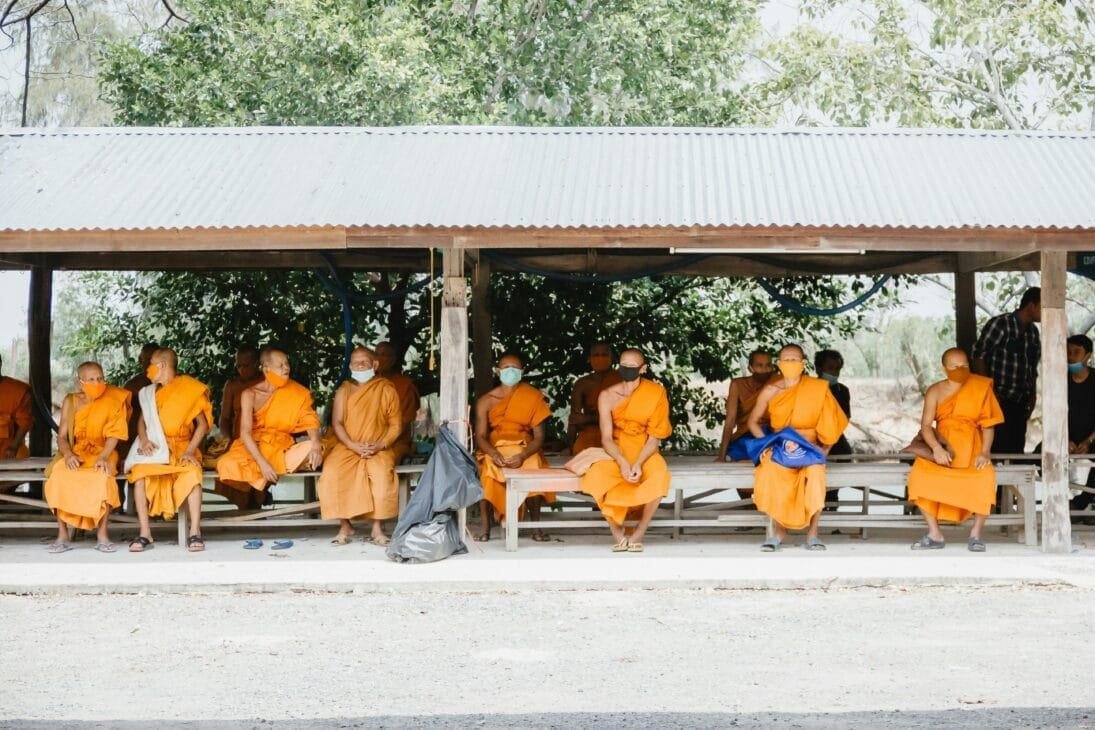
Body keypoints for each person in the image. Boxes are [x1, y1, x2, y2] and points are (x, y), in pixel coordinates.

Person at [748, 344, 848, 552]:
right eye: (786, 359)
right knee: (771, 472)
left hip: (811, 448)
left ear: (803, 363)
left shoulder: (818, 388)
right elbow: (753, 422)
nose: (790, 364)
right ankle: (779, 532)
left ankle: (813, 535)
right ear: (779, 363)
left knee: (816, 475)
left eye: (795, 360)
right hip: (781, 447)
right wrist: (766, 445)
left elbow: (834, 423)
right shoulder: (771, 391)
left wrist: (824, 451)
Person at [907, 348, 1004, 552]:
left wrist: (985, 452)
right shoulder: (935, 390)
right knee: (919, 477)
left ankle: (976, 535)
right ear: (944, 369)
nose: (960, 370)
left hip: (972, 446)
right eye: (955, 367)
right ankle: (935, 534)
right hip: (944, 446)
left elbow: (988, 424)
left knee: (985, 478)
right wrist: (935, 449)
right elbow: (925, 426)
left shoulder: (980, 386)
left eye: (964, 366)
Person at [580, 348, 672, 552]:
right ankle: (617, 533)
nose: (627, 369)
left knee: (659, 474)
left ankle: (639, 531)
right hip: (616, 449)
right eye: (624, 365)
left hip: (645, 450)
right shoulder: (607, 395)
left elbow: (654, 437)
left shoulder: (656, 393)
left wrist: (638, 463)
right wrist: (622, 462)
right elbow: (606, 437)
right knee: (597, 476)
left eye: (632, 366)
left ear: (643, 368)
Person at [125, 348, 213, 553]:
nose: (147, 369)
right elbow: (142, 421)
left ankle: (195, 531)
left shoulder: (189, 388)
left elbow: (202, 425)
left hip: (183, 447)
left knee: (192, 475)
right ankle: (145, 533)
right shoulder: (149, 392)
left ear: (162, 365)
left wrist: (191, 451)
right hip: (156, 448)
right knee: (139, 476)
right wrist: (145, 440)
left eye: (151, 364)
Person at [215, 348, 322, 509]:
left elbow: (310, 420)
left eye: (287, 364)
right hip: (254, 448)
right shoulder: (250, 394)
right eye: (280, 365)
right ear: (266, 369)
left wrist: (315, 442)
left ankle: (261, 486)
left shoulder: (297, 392)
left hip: (282, 446)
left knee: (314, 448)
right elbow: (245, 432)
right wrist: (263, 464)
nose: (286, 368)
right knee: (226, 463)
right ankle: (258, 491)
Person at [317, 346, 403, 545]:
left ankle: (377, 528)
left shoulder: (386, 388)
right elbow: (337, 423)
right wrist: (352, 445)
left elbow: (396, 424)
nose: (360, 365)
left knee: (382, 477)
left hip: (378, 446)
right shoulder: (344, 390)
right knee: (332, 473)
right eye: (355, 362)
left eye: (364, 361)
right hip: (348, 445)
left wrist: (381, 444)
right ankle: (344, 525)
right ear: (350, 366)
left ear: (375, 364)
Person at [43, 362, 130, 553]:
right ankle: (63, 535)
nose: (97, 382)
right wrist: (67, 455)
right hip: (78, 452)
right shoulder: (71, 401)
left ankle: (102, 535)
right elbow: (62, 436)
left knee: (102, 476)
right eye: (91, 379)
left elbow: (115, 434)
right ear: (79, 382)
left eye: (100, 378)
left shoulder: (114, 398)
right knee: (59, 476)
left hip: (104, 450)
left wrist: (104, 456)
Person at [474, 353, 554, 542]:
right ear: (497, 371)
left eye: (515, 368)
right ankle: (486, 527)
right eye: (506, 367)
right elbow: (481, 437)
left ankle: (536, 527)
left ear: (522, 372)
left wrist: (523, 455)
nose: (510, 371)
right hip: (496, 449)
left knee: (534, 466)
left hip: (525, 448)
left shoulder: (533, 397)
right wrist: (493, 453)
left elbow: (539, 437)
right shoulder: (486, 401)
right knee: (485, 471)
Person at [972, 287, 1041, 454]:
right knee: (996, 448)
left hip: (1020, 402)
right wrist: (990, 391)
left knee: (1016, 449)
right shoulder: (1001, 324)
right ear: (1031, 305)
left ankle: (1010, 482)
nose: (1044, 313)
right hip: (998, 399)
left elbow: (1032, 368)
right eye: (1042, 307)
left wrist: (1032, 395)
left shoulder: (1033, 332)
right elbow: (978, 355)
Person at [715, 349, 773, 464]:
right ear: (750, 368)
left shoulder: (777, 383)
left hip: (770, 432)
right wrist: (721, 455)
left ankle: (761, 453)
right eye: (759, 366)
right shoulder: (738, 385)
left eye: (768, 365)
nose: (764, 370)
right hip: (746, 434)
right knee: (739, 448)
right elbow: (730, 420)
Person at [815, 349, 852, 510]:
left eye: (837, 369)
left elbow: (845, 418)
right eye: (830, 368)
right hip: (812, 439)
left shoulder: (842, 391)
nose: (835, 373)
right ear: (818, 368)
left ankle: (832, 512)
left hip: (836, 441)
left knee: (833, 484)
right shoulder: (810, 389)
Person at [568, 342, 621, 454]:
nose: (600, 358)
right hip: (589, 434)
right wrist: (569, 446)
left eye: (604, 355)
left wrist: (587, 419)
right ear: (589, 359)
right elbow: (574, 419)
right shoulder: (582, 384)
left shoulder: (622, 381)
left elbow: (624, 417)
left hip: (617, 433)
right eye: (596, 355)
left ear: (613, 358)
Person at [375, 341, 420, 464]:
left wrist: (381, 443)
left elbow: (403, 424)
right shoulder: (367, 384)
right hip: (366, 441)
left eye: (383, 355)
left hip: (395, 443)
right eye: (376, 354)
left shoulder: (405, 386)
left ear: (393, 360)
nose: (378, 358)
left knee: (381, 462)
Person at [1066, 335, 1095, 520]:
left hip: (1092, 436)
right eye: (1068, 352)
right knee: (1040, 454)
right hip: (1067, 436)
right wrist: (1064, 439)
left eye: (1076, 352)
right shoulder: (1060, 379)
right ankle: (1061, 501)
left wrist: (1089, 440)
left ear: (1088, 356)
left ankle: (1083, 501)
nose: (1070, 357)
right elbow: (1054, 411)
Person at [119, 342, 160, 460]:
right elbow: (123, 415)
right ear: (140, 361)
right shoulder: (132, 385)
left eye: (150, 359)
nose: (147, 363)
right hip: (136, 434)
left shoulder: (170, 383)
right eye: (145, 359)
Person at [218, 346, 262, 440]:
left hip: (264, 438)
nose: (241, 370)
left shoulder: (267, 382)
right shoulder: (232, 385)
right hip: (239, 440)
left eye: (246, 365)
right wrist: (226, 439)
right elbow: (225, 418)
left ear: (257, 363)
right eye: (238, 366)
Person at [0, 353, 32, 460]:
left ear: (0, 364)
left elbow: (25, 422)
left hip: (7, 446)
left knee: (21, 455)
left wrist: (14, 447)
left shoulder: (17, 391)